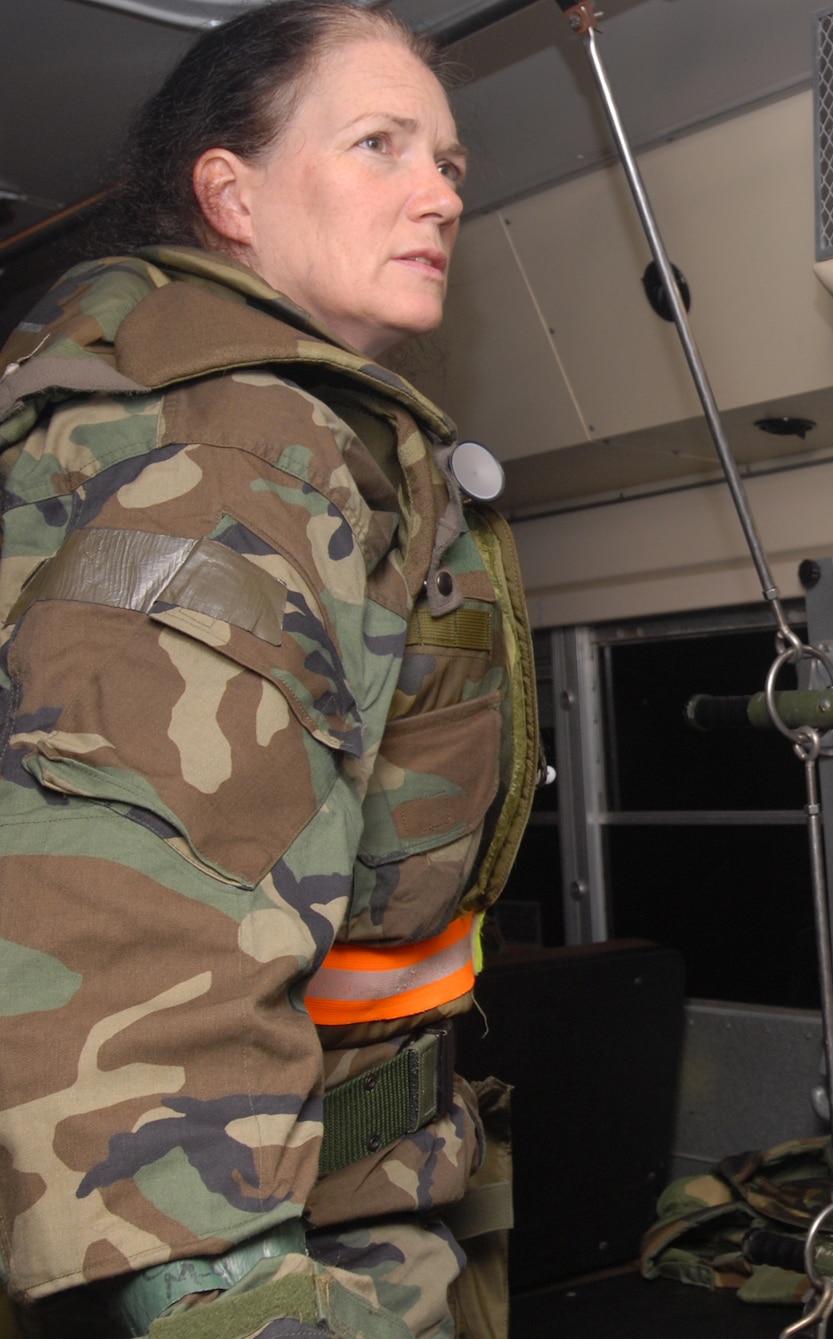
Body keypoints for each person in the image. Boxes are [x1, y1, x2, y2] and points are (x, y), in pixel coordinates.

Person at [0, 6, 536, 1339]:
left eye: (452, 163)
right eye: (380, 145)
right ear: (229, 194)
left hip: (335, 1180)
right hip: (275, 1227)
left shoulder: (158, 407)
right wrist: (222, 1289)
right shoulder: (250, 440)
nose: (440, 196)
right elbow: (132, 885)